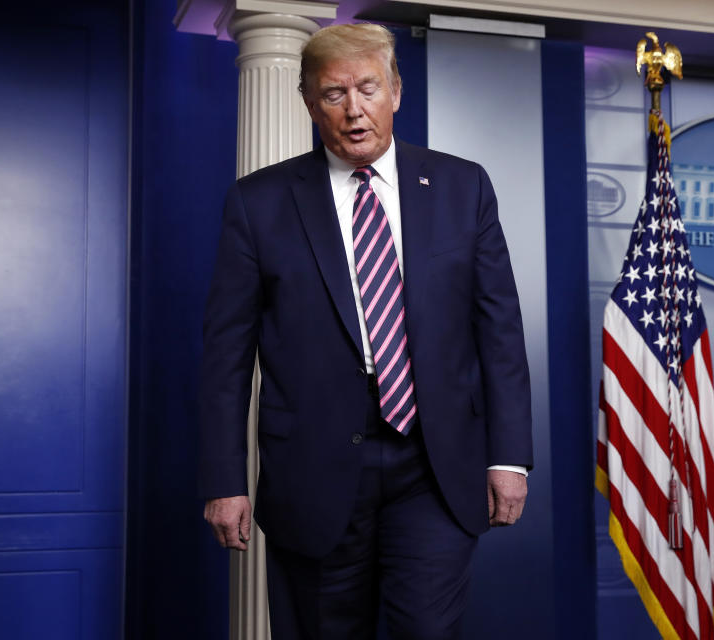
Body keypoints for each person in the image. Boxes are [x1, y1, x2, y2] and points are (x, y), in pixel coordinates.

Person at [198, 23, 532, 640]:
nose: (354, 110)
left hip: (434, 467)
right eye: (333, 94)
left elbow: (500, 331)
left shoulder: (463, 187)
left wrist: (509, 457)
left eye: (368, 89)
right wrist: (224, 479)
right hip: (314, 471)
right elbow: (226, 354)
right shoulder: (259, 202)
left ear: (396, 92)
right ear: (309, 104)